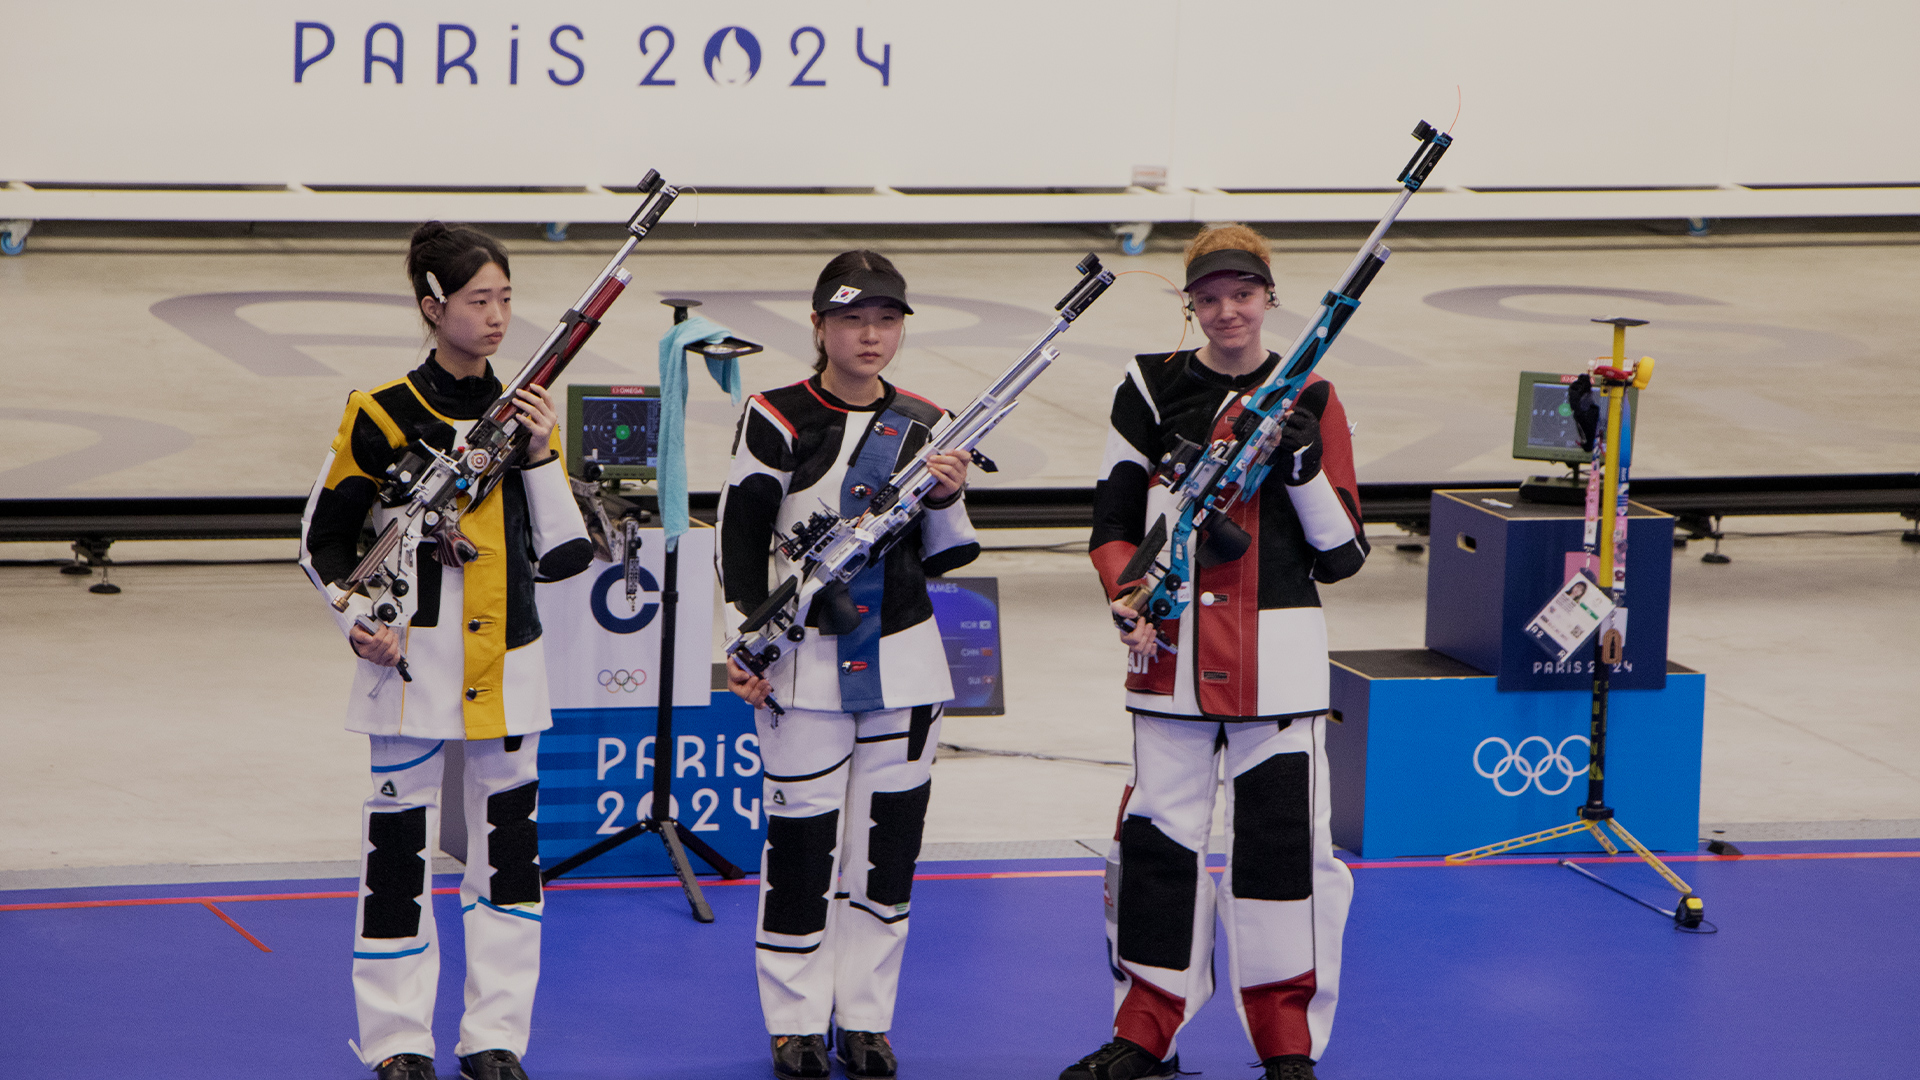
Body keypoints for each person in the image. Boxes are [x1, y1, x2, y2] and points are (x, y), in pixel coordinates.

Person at [1061, 225, 1369, 1080]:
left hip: (1282, 663)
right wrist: (1128, 600)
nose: (1227, 312)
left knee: (1286, 855)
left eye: (1243, 294)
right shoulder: (1148, 386)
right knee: (1157, 849)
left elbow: (1343, 556)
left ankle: (1287, 1043)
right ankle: (1144, 1033)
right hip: (1169, 658)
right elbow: (1112, 524)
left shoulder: (1313, 392)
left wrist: (1302, 469)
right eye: (1209, 298)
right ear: (1189, 306)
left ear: (1270, 298)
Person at [299, 222, 593, 1080]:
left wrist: (539, 455)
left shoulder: (527, 414)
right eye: (478, 300)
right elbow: (322, 542)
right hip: (407, 667)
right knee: (398, 861)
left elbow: (568, 554)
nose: (497, 316)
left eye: (505, 298)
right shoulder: (380, 411)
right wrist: (355, 620)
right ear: (433, 307)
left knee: (509, 860)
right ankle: (396, 1041)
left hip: (510, 665)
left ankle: (495, 1037)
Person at [718, 250, 978, 1080]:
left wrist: (945, 493)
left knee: (886, 852)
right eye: (852, 319)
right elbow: (739, 537)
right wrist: (745, 644)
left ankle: (865, 1018)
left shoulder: (927, 417)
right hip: (803, 661)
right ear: (819, 326)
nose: (870, 335)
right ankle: (793, 1020)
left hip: (905, 664)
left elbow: (950, 554)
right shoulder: (776, 413)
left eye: (886, 319)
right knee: (800, 847)